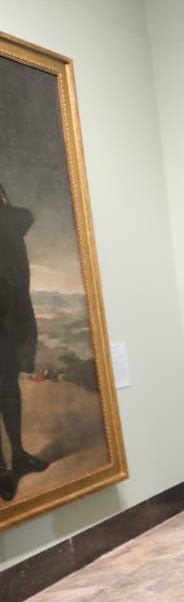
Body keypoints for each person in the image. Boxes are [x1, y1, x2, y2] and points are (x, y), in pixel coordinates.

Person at [0, 179, 48, 504]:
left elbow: (24, 216)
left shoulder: (10, 220)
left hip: (6, 318)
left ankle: (15, 458)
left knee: (7, 389)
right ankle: (4, 467)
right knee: (5, 390)